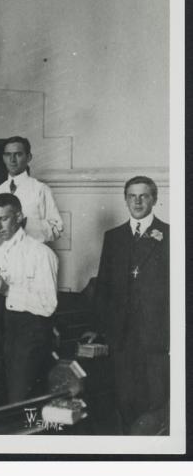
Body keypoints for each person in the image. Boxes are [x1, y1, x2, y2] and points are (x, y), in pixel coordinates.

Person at [93, 176, 169, 435]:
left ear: (155, 199)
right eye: (132, 196)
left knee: (155, 402)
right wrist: (101, 329)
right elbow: (103, 287)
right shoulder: (113, 237)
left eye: (143, 196)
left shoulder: (171, 235)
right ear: (125, 200)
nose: (137, 201)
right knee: (125, 401)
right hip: (122, 337)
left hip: (156, 336)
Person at [0, 193, 58, 409]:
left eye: (3, 218)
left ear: (19, 216)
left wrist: (7, 289)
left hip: (28, 339)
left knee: (20, 401)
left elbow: (48, 305)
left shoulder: (41, 254)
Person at [0, 136, 63, 243]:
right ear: (3, 158)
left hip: (31, 254)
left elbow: (56, 230)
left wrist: (25, 223)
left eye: (18, 154)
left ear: (28, 157)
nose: (12, 160)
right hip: (3, 255)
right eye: (8, 155)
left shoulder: (40, 190)